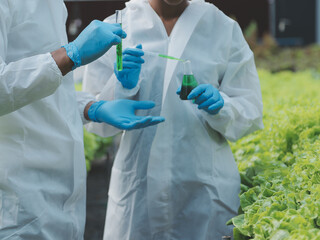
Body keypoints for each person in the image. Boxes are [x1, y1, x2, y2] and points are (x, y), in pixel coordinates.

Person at [0, 0, 165, 239]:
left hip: (63, 199)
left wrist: (91, 107)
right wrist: (70, 55)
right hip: (16, 201)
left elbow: (42, 86)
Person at [83, 0, 264, 239]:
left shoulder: (221, 27)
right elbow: (97, 123)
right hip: (139, 188)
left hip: (203, 188)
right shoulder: (118, 27)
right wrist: (122, 87)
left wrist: (223, 106)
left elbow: (250, 109)